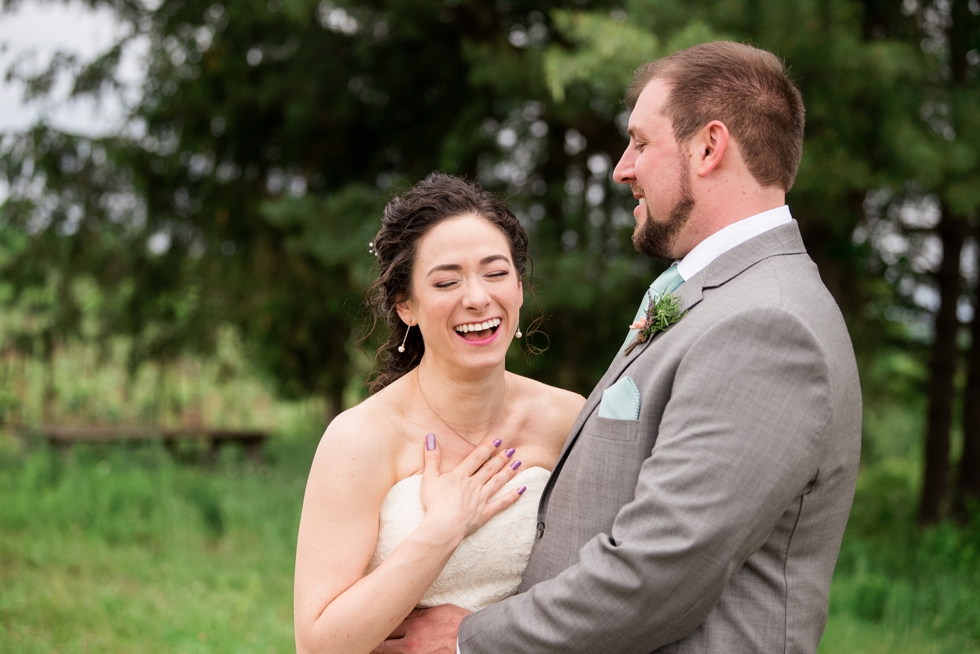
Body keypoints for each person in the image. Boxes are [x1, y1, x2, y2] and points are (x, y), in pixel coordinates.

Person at [382, 41, 862, 653]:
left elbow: (658, 573)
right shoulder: (724, 294)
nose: (621, 168)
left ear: (709, 147)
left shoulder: (768, 325)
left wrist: (470, 640)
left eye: (640, 141)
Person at [292, 173, 585, 654]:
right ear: (406, 305)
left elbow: (597, 590)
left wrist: (482, 637)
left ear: (518, 288)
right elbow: (318, 645)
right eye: (447, 281)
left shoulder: (565, 418)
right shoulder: (360, 439)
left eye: (495, 273)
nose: (477, 298)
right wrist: (442, 529)